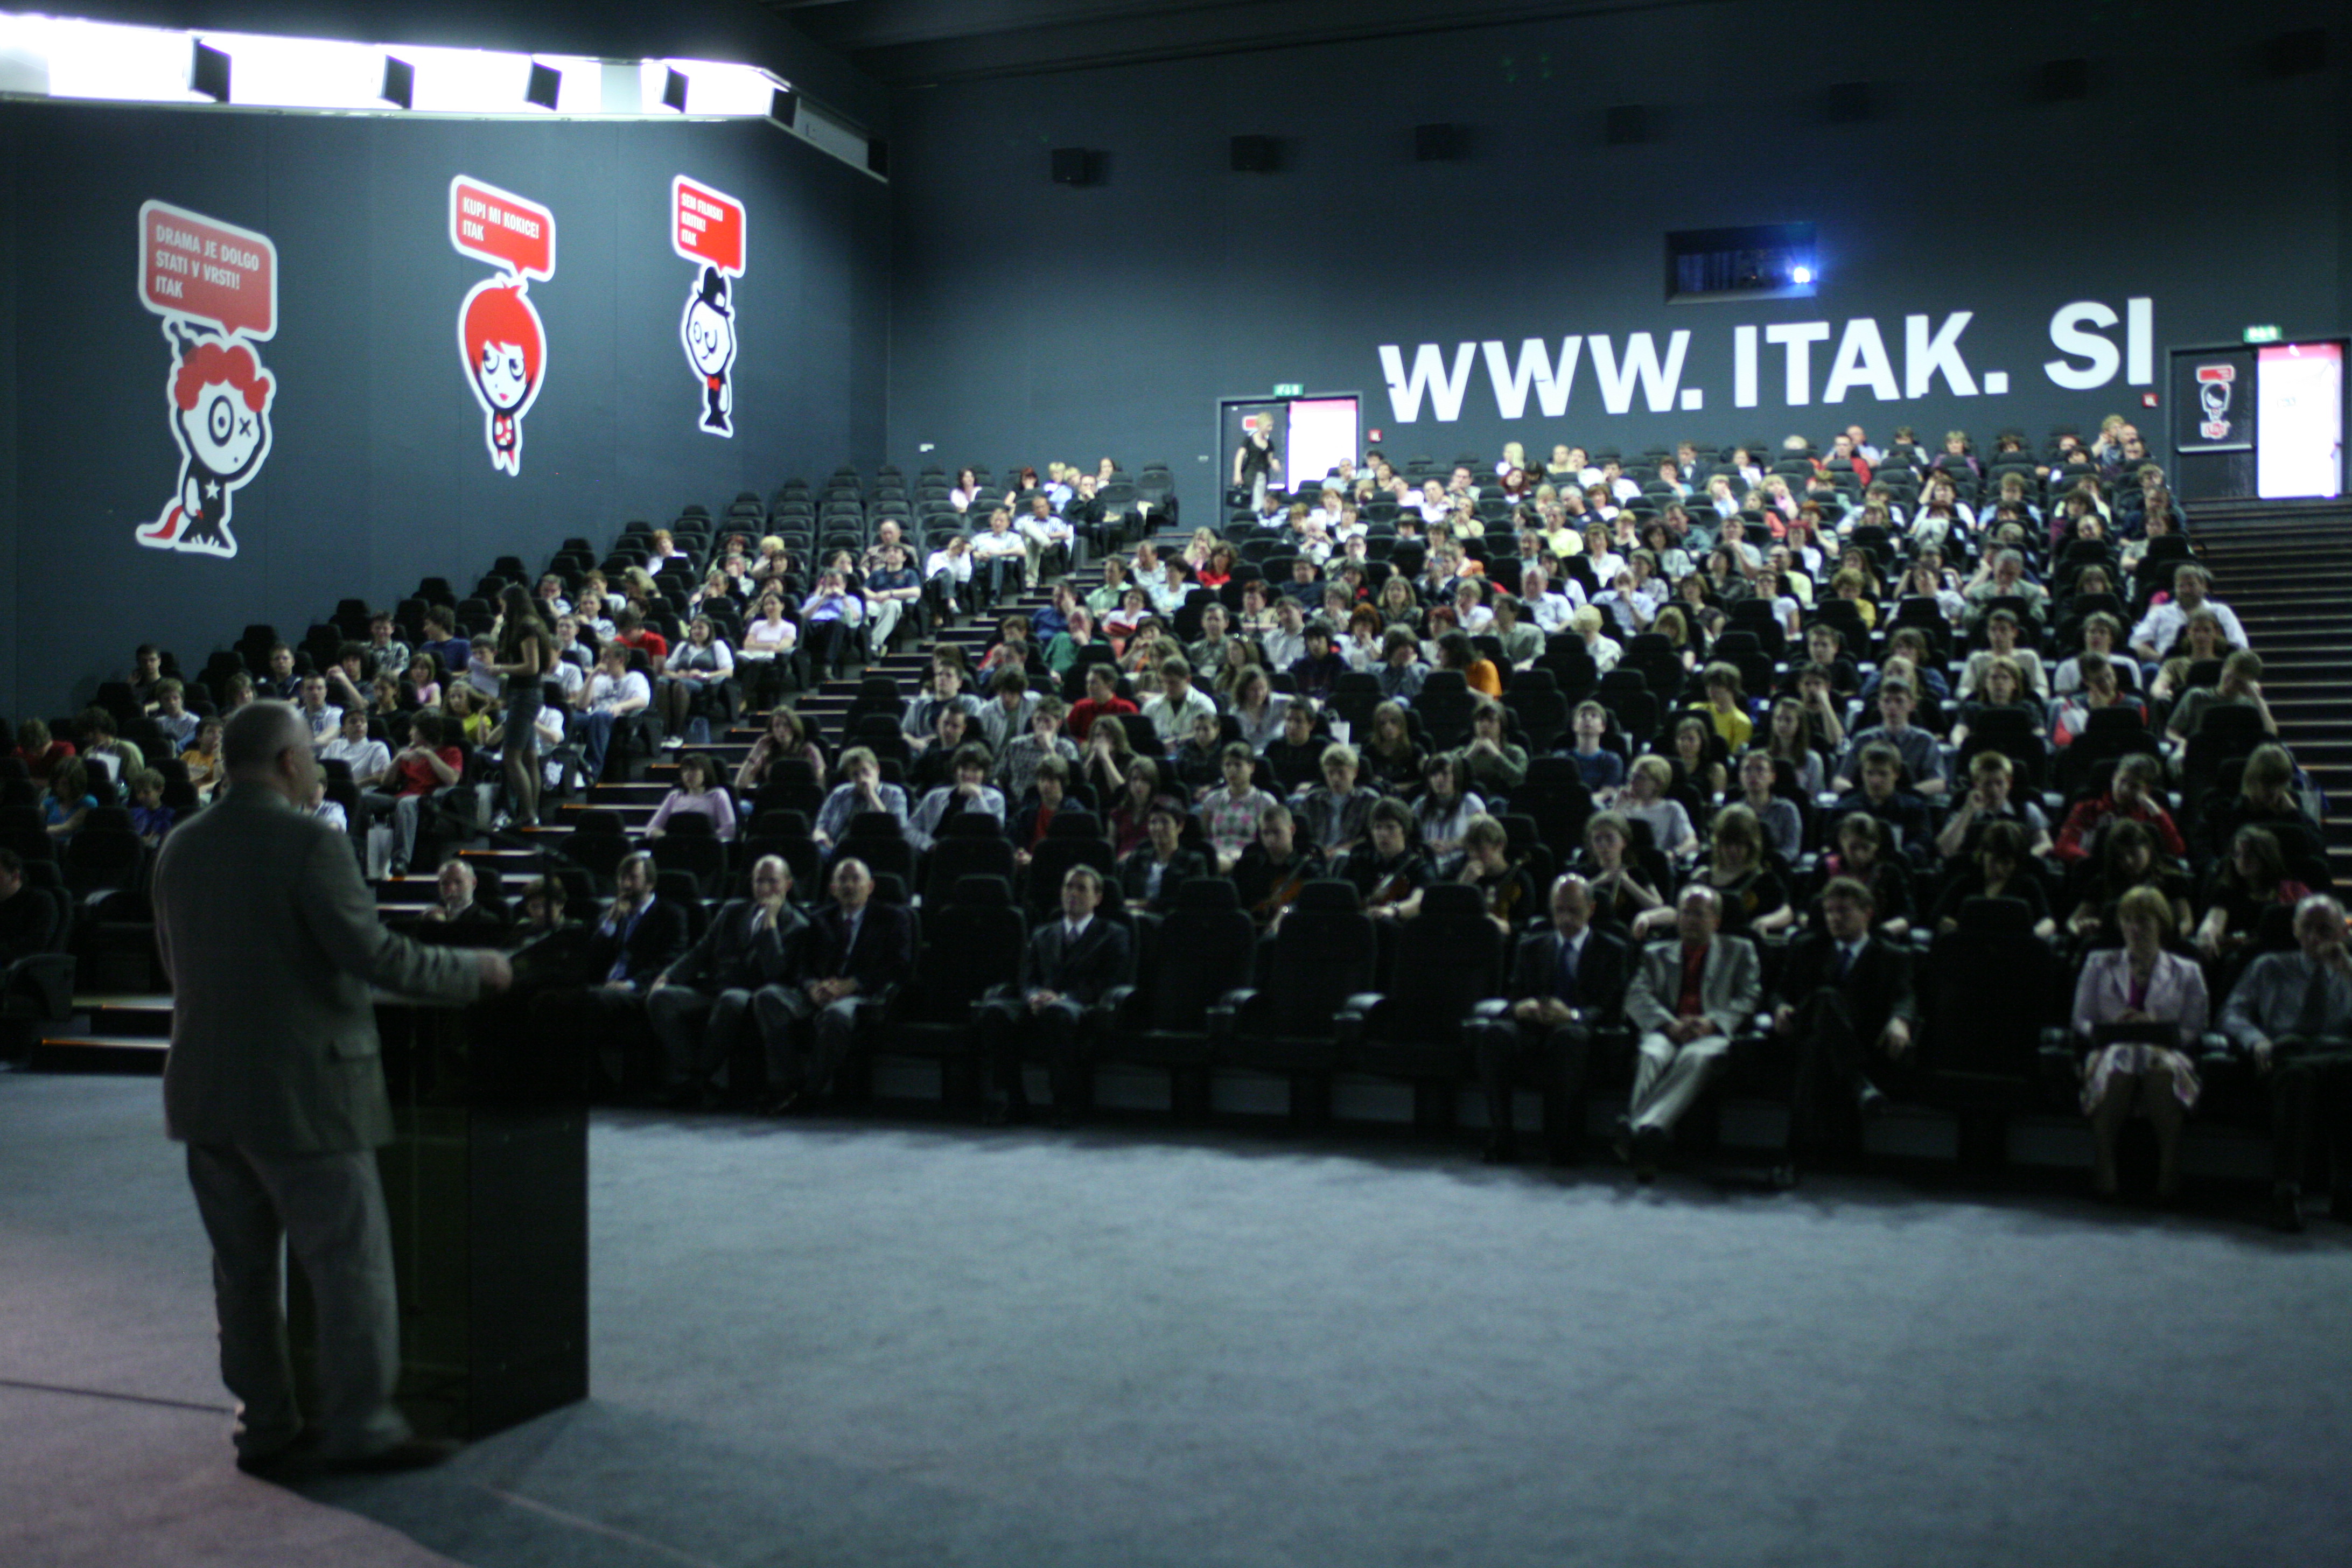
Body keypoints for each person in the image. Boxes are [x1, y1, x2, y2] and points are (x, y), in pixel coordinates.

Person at [153, 702, 511, 1476]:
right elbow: (374, 954)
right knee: (349, 1267)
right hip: (305, 1093)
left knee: (241, 1277)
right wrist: (475, 971)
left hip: (205, 1091)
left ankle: (265, 1426)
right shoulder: (309, 842)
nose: (318, 767)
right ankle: (362, 1428)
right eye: (310, 756)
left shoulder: (179, 845)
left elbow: (173, 964)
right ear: (289, 761)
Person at [1469, 873, 1630, 1166]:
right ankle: (1502, 1136)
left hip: (1580, 1031)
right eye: (1559, 911)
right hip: (1534, 1025)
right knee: (1495, 1033)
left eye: (1574, 911)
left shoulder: (1612, 949)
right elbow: (1515, 994)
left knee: (1567, 1038)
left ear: (1591, 909)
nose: (1566, 919)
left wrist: (1572, 1016)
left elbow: (1610, 1006)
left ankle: (1561, 1141)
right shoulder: (1531, 945)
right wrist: (1520, 1009)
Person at [1769, 877, 1916, 1187]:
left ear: (1867, 913)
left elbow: (1905, 997)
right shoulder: (1807, 947)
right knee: (1824, 999)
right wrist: (1780, 1008)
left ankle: (1791, 1159)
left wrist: (1901, 1020)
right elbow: (1780, 991)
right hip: (1804, 1028)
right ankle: (1858, 1083)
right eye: (1829, 911)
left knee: (1815, 1052)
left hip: (1856, 1039)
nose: (1835, 918)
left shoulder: (1892, 955)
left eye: (1844, 911)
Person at [2220, 894, 2352, 1231]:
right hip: (2287, 1053)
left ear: (2343, 932)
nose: (2315, 938)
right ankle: (2287, 1192)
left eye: (2325, 930)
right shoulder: (2269, 966)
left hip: (2338, 1052)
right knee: (2297, 1079)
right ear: (2294, 929)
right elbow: (2232, 1013)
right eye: (2307, 928)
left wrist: (2347, 972)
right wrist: (2256, 1040)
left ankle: (2346, 1188)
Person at [2073, 885, 2209, 1201]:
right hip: (2109, 1049)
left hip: (2167, 1051)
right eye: (2128, 920)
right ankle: (2104, 1162)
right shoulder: (2098, 962)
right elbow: (2081, 1019)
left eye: (2144, 921)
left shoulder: (2188, 970)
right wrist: (2112, 1027)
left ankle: (2170, 1165)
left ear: (2161, 925)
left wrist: (2155, 1027)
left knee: (2157, 1063)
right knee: (2121, 1059)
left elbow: (2195, 1026)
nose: (2135, 929)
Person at [1619, 885, 1761, 1180]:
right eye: (1685, 913)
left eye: (1699, 914)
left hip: (1710, 1033)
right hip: (1668, 1029)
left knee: (1695, 1059)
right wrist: (1669, 1024)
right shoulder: (1655, 953)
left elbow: (1749, 997)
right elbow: (1636, 997)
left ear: (1716, 921)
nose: (1690, 920)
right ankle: (1649, 1135)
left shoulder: (1740, 950)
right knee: (1651, 1054)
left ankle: (1638, 1130)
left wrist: (1712, 1023)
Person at [646, 854, 805, 1109]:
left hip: (754, 996)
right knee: (661, 999)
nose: (765, 888)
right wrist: (668, 976)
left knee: (732, 1000)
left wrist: (770, 925)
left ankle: (698, 1080)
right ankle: (694, 1073)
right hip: (715, 988)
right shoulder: (733, 911)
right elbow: (701, 951)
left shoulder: (798, 925)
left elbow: (777, 973)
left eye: (772, 881)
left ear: (787, 884)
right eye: (759, 881)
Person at [755, 857, 912, 1114]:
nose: (849, 886)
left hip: (863, 994)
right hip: (820, 991)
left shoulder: (893, 918)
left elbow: (898, 967)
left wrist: (852, 984)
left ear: (870, 886)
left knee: (836, 1015)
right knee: (768, 997)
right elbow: (802, 966)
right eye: (843, 880)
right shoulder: (820, 919)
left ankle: (809, 1092)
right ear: (833, 889)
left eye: (856, 879)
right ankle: (788, 1083)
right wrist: (812, 987)